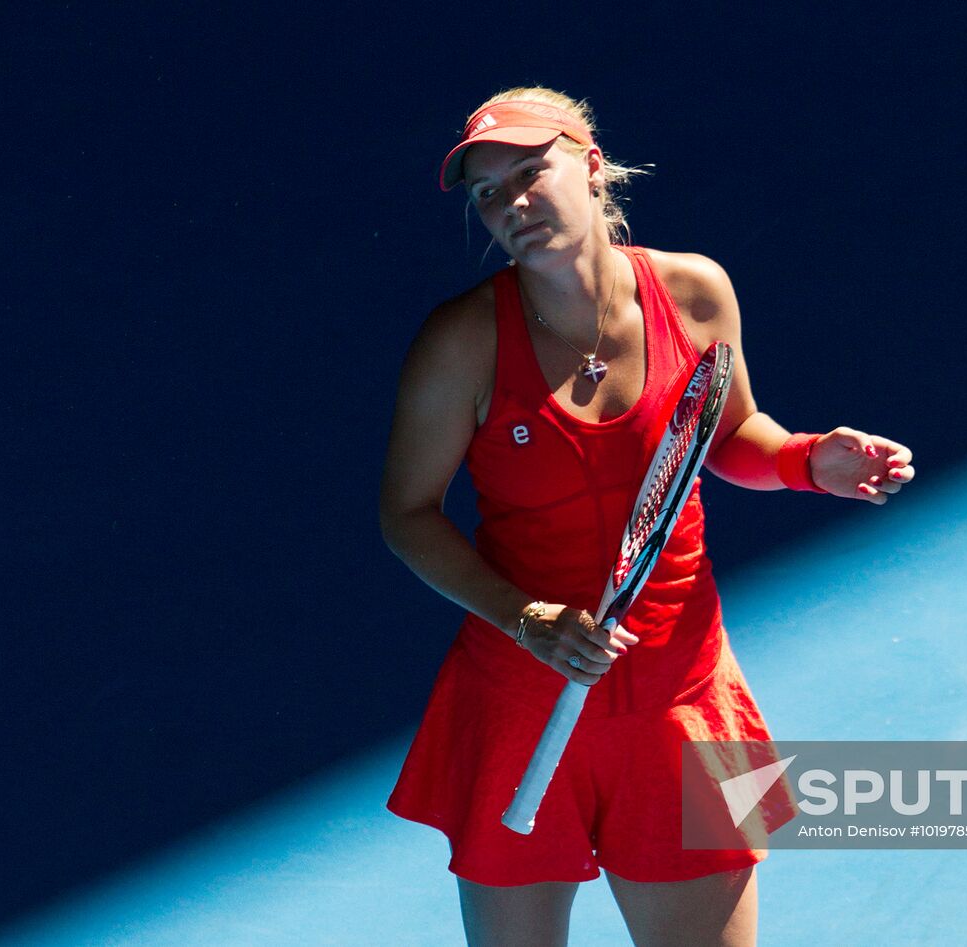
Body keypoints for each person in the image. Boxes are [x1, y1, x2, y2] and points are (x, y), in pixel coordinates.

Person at [379, 86, 915, 947]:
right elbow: (407, 514)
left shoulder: (696, 294)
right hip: (523, 700)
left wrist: (808, 460)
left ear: (591, 167)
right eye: (488, 191)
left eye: (530, 171)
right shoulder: (462, 343)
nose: (512, 203)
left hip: (680, 702)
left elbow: (728, 430)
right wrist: (530, 620)